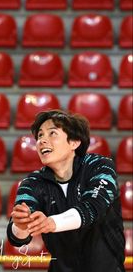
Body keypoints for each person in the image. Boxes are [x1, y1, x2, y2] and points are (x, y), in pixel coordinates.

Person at [7, 109, 125, 272]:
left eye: (52, 133)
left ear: (74, 142)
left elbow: (92, 208)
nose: (42, 141)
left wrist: (51, 222)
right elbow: (17, 238)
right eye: (40, 135)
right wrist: (21, 226)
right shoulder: (32, 182)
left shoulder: (100, 166)